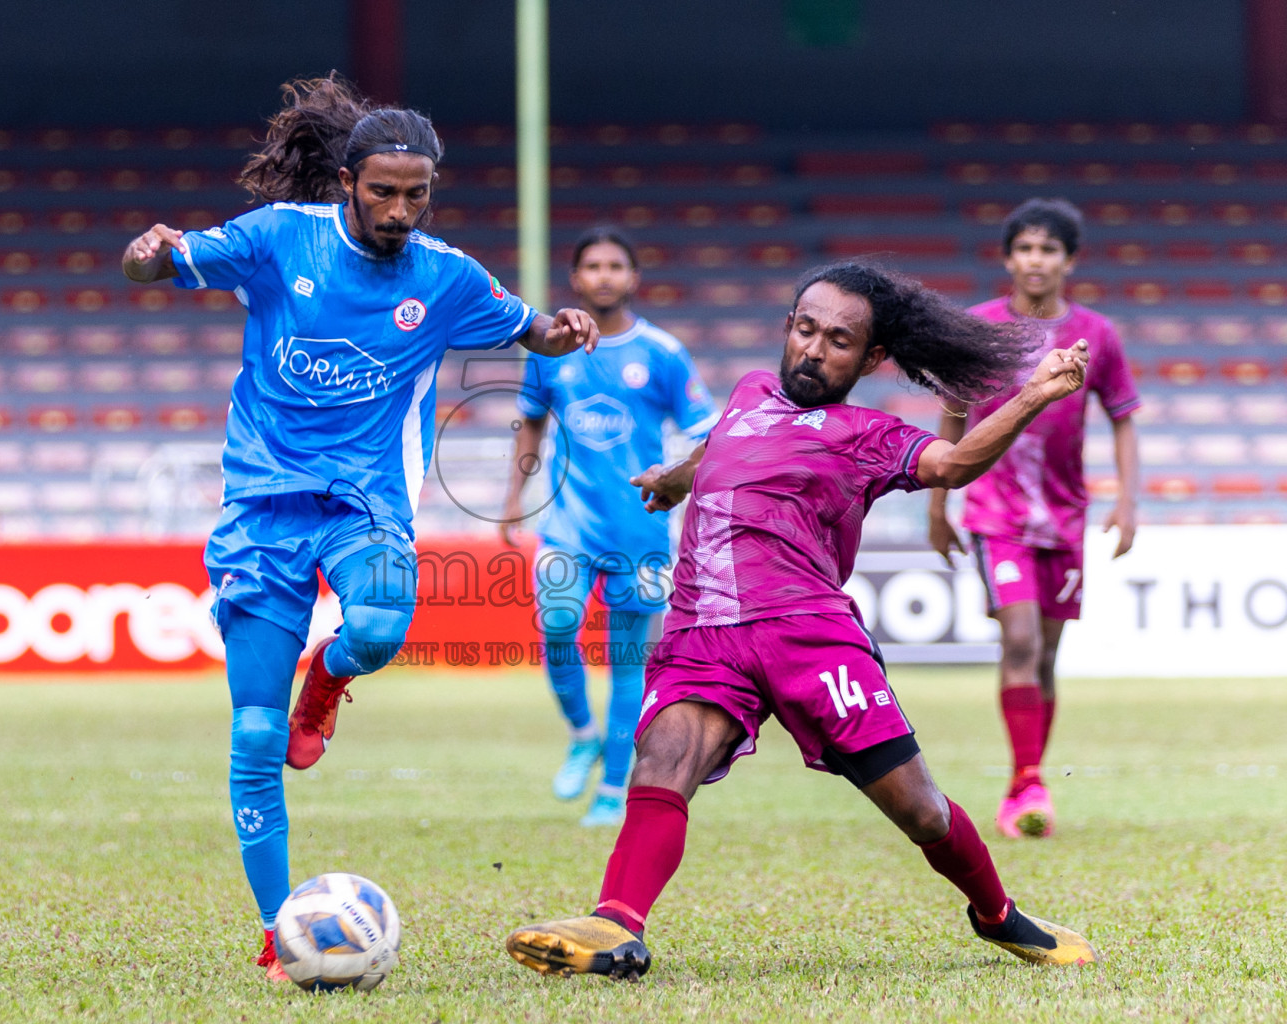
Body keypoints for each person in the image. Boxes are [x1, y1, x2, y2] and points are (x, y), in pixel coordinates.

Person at [122, 73, 599, 981]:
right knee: (255, 738)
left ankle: (328, 686)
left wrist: (565, 328)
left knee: (378, 631)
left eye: (416, 194)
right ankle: (277, 930)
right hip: (262, 510)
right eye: (383, 191)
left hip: (365, 501)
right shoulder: (275, 240)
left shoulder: (447, 277)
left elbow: (528, 328)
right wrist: (148, 254)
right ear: (347, 181)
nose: (399, 209)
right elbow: (161, 265)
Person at [504, 262, 1099, 981]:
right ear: (789, 326)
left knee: (922, 812)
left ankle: (998, 915)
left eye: (839, 341)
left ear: (872, 358)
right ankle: (615, 925)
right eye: (807, 329)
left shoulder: (868, 433)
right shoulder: (752, 390)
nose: (815, 349)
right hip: (705, 632)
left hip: (809, 637)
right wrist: (672, 480)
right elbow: (718, 447)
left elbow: (953, 463)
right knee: (663, 761)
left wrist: (1034, 394)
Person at [929, 198, 1141, 840]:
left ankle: (1029, 775)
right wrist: (940, 506)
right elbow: (954, 414)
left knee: (1046, 656)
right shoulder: (980, 328)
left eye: (1049, 249)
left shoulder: (1097, 334)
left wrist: (1128, 500)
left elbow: (1123, 418)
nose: (1036, 260)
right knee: (1019, 641)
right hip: (997, 514)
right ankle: (1026, 786)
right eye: (1025, 248)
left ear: (1069, 260)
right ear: (1008, 258)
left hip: (1064, 519)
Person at [499, 228, 719, 827]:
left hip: (641, 530)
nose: (603, 275)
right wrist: (513, 497)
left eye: (614, 265)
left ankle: (612, 785)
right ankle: (581, 734)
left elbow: (706, 435)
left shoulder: (663, 353)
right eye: (592, 265)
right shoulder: (550, 351)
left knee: (628, 662)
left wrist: (677, 479)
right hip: (568, 525)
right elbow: (529, 424)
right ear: (575, 278)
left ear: (633, 277)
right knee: (557, 623)